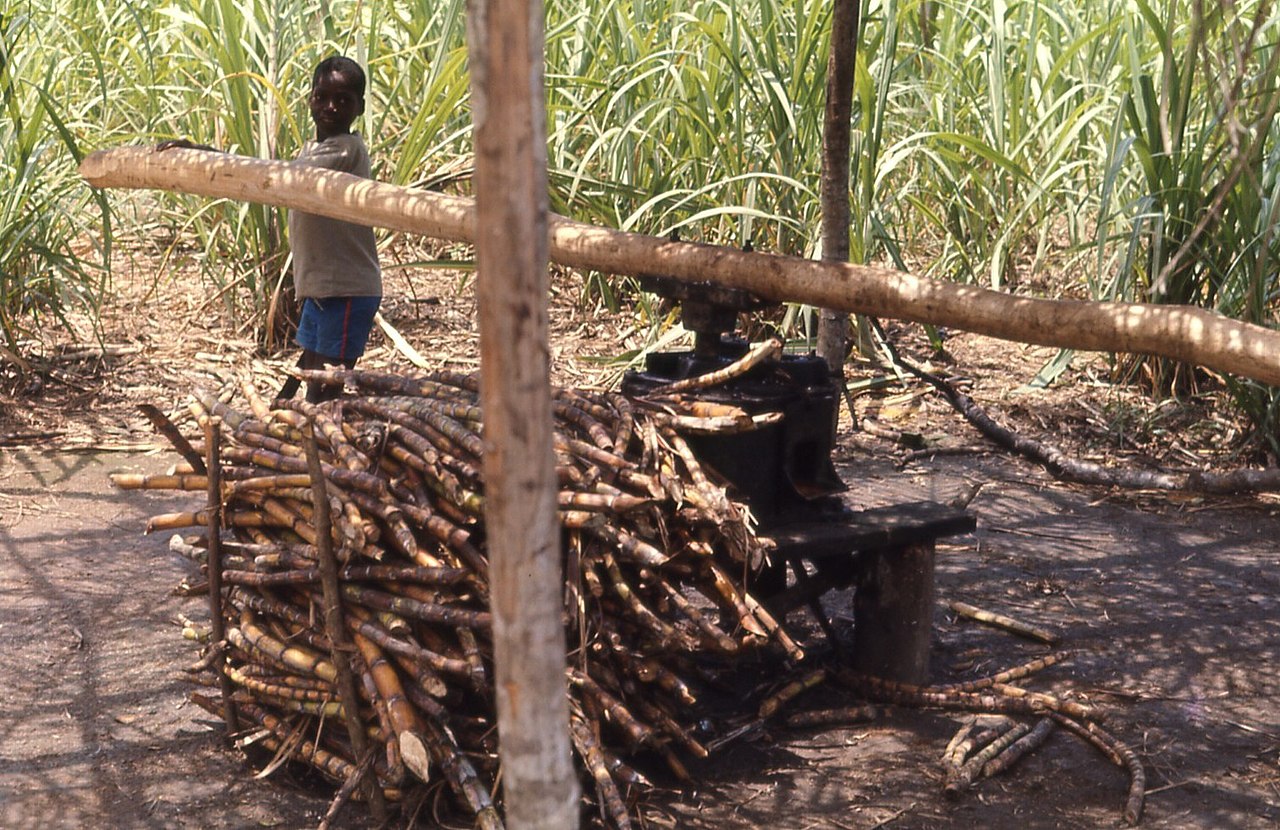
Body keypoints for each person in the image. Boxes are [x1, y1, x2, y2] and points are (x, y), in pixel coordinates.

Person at [159, 55, 381, 404]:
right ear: (310, 100)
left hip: (347, 288)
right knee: (311, 375)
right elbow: (278, 172)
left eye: (343, 100)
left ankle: (322, 444)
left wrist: (207, 155)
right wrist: (204, 155)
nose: (330, 107)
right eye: (322, 97)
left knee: (328, 384)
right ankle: (303, 427)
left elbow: (277, 176)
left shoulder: (347, 148)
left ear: (360, 107)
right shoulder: (315, 150)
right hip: (322, 287)